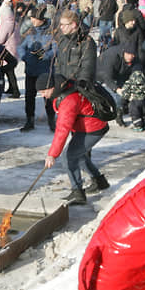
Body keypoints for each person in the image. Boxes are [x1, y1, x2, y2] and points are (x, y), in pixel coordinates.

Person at [37, 72, 108, 205]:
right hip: (90, 126)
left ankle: (78, 193)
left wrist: (52, 155)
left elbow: (62, 129)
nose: (42, 95)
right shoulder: (63, 88)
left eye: (43, 91)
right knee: (78, 154)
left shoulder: (68, 100)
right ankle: (100, 182)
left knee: (68, 157)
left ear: (51, 87)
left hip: (92, 129)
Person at [17, 5, 56, 132]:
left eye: (34, 18)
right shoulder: (30, 31)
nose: (32, 21)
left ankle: (52, 120)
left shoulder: (50, 32)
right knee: (29, 97)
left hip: (45, 71)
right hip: (31, 70)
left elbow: (56, 49)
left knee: (48, 98)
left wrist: (46, 55)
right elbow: (20, 47)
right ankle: (29, 120)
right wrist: (25, 57)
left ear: (42, 19)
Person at [0, 0, 21, 98]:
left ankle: (15, 90)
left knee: (9, 71)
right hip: (15, 47)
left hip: (8, 49)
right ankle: (11, 88)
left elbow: (1, 39)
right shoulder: (15, 22)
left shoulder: (6, 23)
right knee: (11, 70)